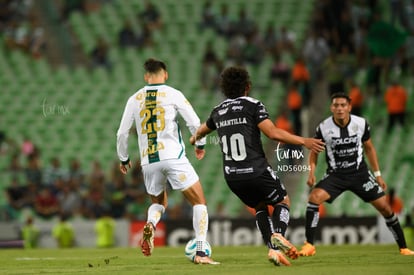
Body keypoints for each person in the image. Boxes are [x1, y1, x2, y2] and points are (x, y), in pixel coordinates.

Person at [190, 66, 325, 266]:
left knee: (260, 206)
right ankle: (278, 235)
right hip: (255, 169)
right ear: (247, 87)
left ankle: (273, 251)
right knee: (283, 201)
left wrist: (196, 142)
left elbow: (200, 131)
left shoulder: (218, 111)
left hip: (232, 176)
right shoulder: (253, 105)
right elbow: (272, 133)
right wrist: (303, 141)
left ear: (225, 88)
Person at [116, 58, 219, 264]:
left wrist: (124, 158)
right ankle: (201, 252)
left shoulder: (134, 99)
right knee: (199, 202)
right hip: (173, 157)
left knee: (159, 203)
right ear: (166, 74)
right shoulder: (173, 94)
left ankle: (150, 225)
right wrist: (200, 144)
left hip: (149, 162)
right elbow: (194, 122)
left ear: (146, 76)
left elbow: (122, 133)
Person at [299, 93, 414, 257]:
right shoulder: (323, 127)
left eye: (343, 105)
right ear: (332, 108)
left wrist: (378, 175)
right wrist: (311, 173)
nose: (339, 109)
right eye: (336, 105)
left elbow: (369, 148)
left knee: (385, 207)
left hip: (360, 174)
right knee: (314, 198)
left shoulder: (360, 124)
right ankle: (309, 245)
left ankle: (403, 247)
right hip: (336, 175)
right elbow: (314, 152)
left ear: (349, 107)